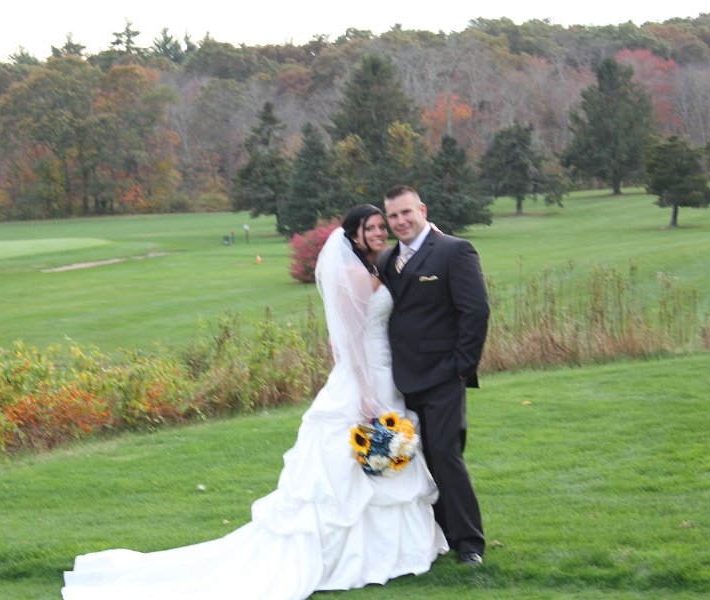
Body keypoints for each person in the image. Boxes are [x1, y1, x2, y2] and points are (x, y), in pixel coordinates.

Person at [61, 205, 448, 599]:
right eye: (372, 228)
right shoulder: (353, 275)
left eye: (383, 226)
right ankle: (359, 554)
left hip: (385, 372)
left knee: (384, 463)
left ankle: (390, 549)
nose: (381, 233)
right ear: (354, 235)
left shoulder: (374, 267)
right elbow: (348, 340)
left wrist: (427, 233)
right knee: (350, 468)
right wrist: (365, 393)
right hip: (365, 378)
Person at [376, 185, 490, 566]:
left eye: (406, 212)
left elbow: (476, 311)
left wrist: (461, 366)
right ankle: (437, 534)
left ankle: (469, 543)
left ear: (422, 210)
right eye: (393, 216)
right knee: (415, 460)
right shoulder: (387, 259)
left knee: (444, 453)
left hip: (443, 375)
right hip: (399, 380)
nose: (400, 221)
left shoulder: (453, 251)